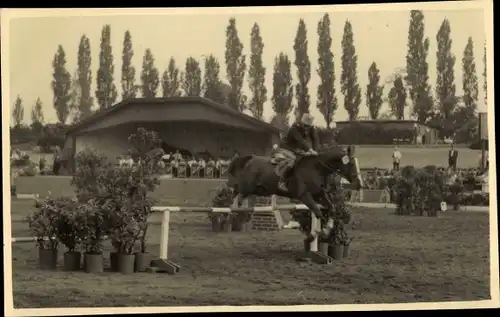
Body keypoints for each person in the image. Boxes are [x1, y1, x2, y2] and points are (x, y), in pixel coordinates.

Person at [277, 113, 319, 190]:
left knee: (306, 161)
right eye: (305, 125)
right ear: (302, 122)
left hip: (297, 149)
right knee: (292, 160)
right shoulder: (294, 127)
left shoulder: (311, 128)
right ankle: (281, 181)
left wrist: (316, 151)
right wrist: (310, 150)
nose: (307, 128)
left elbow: (315, 139)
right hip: (286, 148)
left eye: (308, 126)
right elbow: (300, 140)